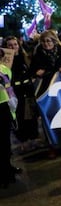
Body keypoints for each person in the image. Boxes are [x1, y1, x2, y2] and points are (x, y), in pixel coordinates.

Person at [30, 30, 61, 158]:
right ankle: (52, 146)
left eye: (48, 41)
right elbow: (32, 70)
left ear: (54, 41)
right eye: (43, 41)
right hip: (46, 91)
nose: (46, 43)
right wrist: (36, 72)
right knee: (48, 118)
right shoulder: (38, 55)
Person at [4, 36, 39, 153]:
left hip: (28, 91)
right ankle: (23, 141)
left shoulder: (26, 58)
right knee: (19, 117)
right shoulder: (4, 62)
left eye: (15, 44)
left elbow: (32, 71)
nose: (13, 47)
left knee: (30, 115)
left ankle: (33, 139)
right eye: (10, 45)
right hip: (14, 93)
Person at [0, 48, 21, 188]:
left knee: (5, 143)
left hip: (3, 108)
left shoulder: (4, 70)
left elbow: (9, 88)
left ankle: (7, 169)